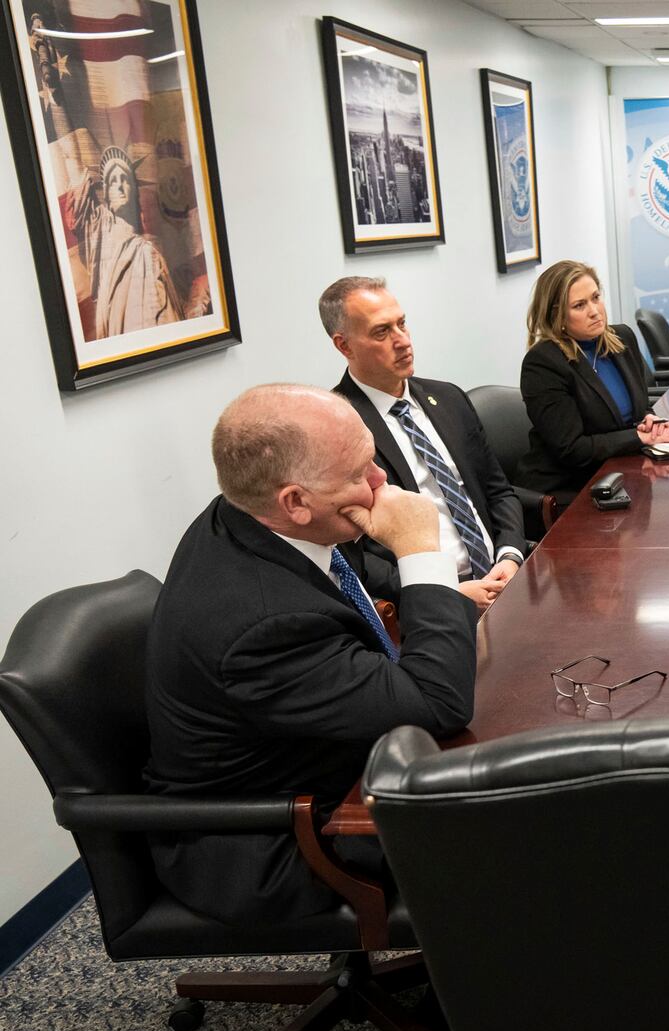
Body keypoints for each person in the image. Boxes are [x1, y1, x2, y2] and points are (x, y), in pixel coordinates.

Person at [144, 384, 478, 925]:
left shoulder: (246, 515)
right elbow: (438, 706)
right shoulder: (262, 625)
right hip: (274, 840)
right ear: (294, 502)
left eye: (373, 460)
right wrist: (423, 553)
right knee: (520, 821)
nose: (381, 483)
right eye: (359, 475)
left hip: (309, 764)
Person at [322, 276, 525, 612]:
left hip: (505, 578)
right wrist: (444, 590)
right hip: (429, 603)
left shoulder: (448, 397)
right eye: (381, 332)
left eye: (402, 324)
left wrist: (510, 555)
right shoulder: (335, 427)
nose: (402, 341)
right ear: (344, 346)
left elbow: (498, 491)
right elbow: (349, 553)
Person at [514, 260, 669, 502]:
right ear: (557, 316)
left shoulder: (621, 338)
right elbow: (572, 449)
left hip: (619, 471)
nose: (594, 310)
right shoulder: (543, 364)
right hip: (569, 488)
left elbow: (638, 407)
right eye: (579, 305)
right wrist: (639, 437)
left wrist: (648, 420)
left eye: (595, 297)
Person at [68, 145, 183, 340]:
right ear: (106, 194)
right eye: (113, 181)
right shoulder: (100, 228)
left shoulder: (148, 251)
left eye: (125, 180)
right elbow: (79, 203)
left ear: (134, 189)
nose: (120, 186)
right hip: (118, 313)